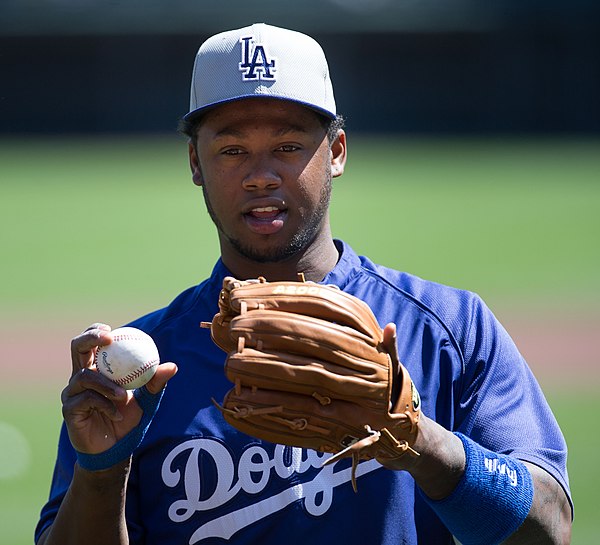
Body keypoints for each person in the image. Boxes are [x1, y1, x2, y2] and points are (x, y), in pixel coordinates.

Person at [36, 23, 572, 545]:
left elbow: (548, 530)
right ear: (195, 162)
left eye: (289, 146)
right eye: (231, 150)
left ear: (336, 152)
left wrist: (419, 440)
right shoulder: (139, 377)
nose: (260, 174)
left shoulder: (448, 327)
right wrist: (103, 472)